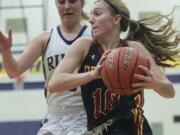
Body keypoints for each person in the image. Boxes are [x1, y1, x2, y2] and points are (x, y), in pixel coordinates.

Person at [47, 0, 180, 134]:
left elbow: (170, 92)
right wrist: (92, 75)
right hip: (98, 130)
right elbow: (54, 84)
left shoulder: (134, 48)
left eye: (97, 14)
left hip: (132, 127)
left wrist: (155, 84)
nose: (91, 20)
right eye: (91, 15)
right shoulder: (84, 46)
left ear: (116, 19)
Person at [0, 0, 92, 135]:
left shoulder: (94, 37)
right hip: (54, 117)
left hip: (85, 116)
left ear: (82, 3)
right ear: (56, 4)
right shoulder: (45, 38)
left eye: (72, 1)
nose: (67, 6)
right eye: (61, 2)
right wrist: (6, 51)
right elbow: (14, 71)